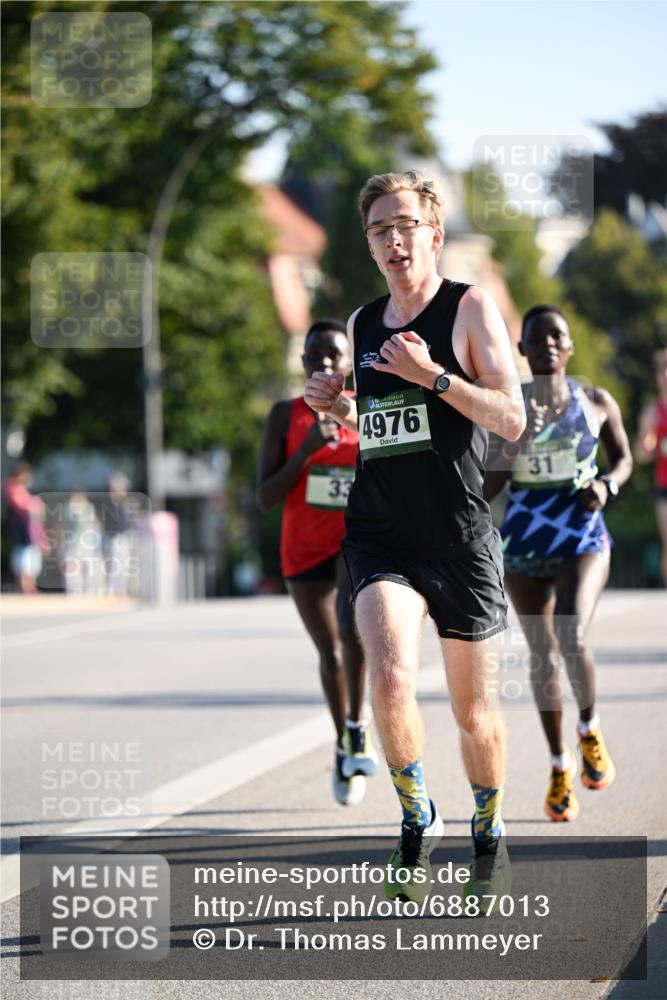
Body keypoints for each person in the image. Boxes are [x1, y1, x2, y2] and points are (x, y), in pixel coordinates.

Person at [304, 171, 525, 908]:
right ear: (367, 243)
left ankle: (487, 832)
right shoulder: (364, 322)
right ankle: (415, 814)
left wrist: (435, 378)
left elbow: (511, 419)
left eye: (405, 225)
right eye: (378, 230)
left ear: (432, 233)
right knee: (391, 675)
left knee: (475, 717)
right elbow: (383, 430)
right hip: (380, 534)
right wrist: (340, 409)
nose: (393, 240)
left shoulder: (468, 308)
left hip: (459, 537)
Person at [484, 305, 633, 822]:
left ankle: (589, 730)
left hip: (582, 534)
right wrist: (519, 438)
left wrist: (606, 484)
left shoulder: (594, 400)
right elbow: (486, 487)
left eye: (557, 336)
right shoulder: (509, 408)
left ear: (569, 348)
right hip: (524, 539)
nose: (548, 343)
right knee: (542, 656)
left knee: (570, 632)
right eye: (536, 338)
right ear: (521, 351)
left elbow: (624, 459)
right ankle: (558, 764)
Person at [257, 319, 376, 806]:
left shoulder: (365, 411)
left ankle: (357, 726)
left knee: (353, 629)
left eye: (335, 356)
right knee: (329, 653)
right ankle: (345, 744)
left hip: (354, 543)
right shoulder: (285, 416)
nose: (325, 364)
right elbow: (265, 497)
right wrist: (306, 450)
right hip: (302, 550)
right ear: (304, 364)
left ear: (349, 365)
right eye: (315, 356)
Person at [636, 347, 667, 585]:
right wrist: (649, 442)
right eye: (662, 370)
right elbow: (641, 454)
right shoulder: (652, 410)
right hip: (663, 484)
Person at [4, 463, 48, 594]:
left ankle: (31, 589)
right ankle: (27, 589)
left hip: (30, 532)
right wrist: (35, 504)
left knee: (32, 563)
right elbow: (22, 504)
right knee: (24, 563)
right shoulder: (13, 487)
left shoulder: (22, 490)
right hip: (22, 532)